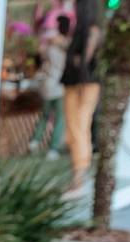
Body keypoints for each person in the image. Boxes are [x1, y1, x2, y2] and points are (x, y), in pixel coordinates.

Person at [61, 0, 103, 193]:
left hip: (83, 84)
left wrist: (81, 69)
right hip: (76, 83)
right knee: (74, 127)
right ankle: (77, 174)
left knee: (79, 125)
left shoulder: (91, 30)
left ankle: (79, 175)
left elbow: (85, 59)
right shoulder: (81, 30)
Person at [30, 15, 72, 160]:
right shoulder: (67, 45)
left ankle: (35, 141)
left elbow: (40, 59)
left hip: (47, 84)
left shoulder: (49, 43)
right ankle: (53, 148)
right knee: (59, 118)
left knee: (45, 115)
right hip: (60, 85)